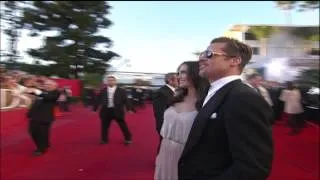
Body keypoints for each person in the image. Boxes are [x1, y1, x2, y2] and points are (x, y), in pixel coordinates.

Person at [178, 37, 274, 180]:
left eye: (209, 54)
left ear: (234, 61)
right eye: (202, 54)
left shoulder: (244, 98)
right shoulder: (209, 93)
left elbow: (252, 167)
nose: (202, 59)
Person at [154, 61, 209, 180]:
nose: (178, 76)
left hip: (188, 156)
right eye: (179, 73)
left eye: (183, 72)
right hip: (165, 151)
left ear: (195, 74)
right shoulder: (176, 97)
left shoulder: (207, 101)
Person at [93, 76, 134, 145]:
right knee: (104, 126)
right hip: (106, 111)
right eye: (109, 80)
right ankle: (104, 140)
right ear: (107, 82)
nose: (110, 82)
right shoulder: (103, 90)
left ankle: (128, 138)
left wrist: (129, 109)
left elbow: (126, 100)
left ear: (115, 81)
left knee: (123, 126)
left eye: (112, 80)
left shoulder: (121, 91)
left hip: (117, 111)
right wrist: (95, 109)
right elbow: (98, 100)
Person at [26, 79, 60, 156]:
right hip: (34, 116)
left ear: (54, 86)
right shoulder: (42, 92)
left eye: (48, 84)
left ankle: (41, 149)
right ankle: (44, 144)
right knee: (32, 132)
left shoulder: (56, 93)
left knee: (42, 133)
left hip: (45, 117)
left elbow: (48, 97)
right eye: (45, 84)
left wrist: (37, 91)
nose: (46, 85)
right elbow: (32, 94)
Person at [152, 72, 178, 154]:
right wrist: (163, 127)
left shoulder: (174, 91)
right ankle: (159, 162)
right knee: (164, 144)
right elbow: (159, 113)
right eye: (178, 79)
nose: (180, 81)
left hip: (173, 124)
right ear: (170, 80)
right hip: (166, 125)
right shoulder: (161, 92)